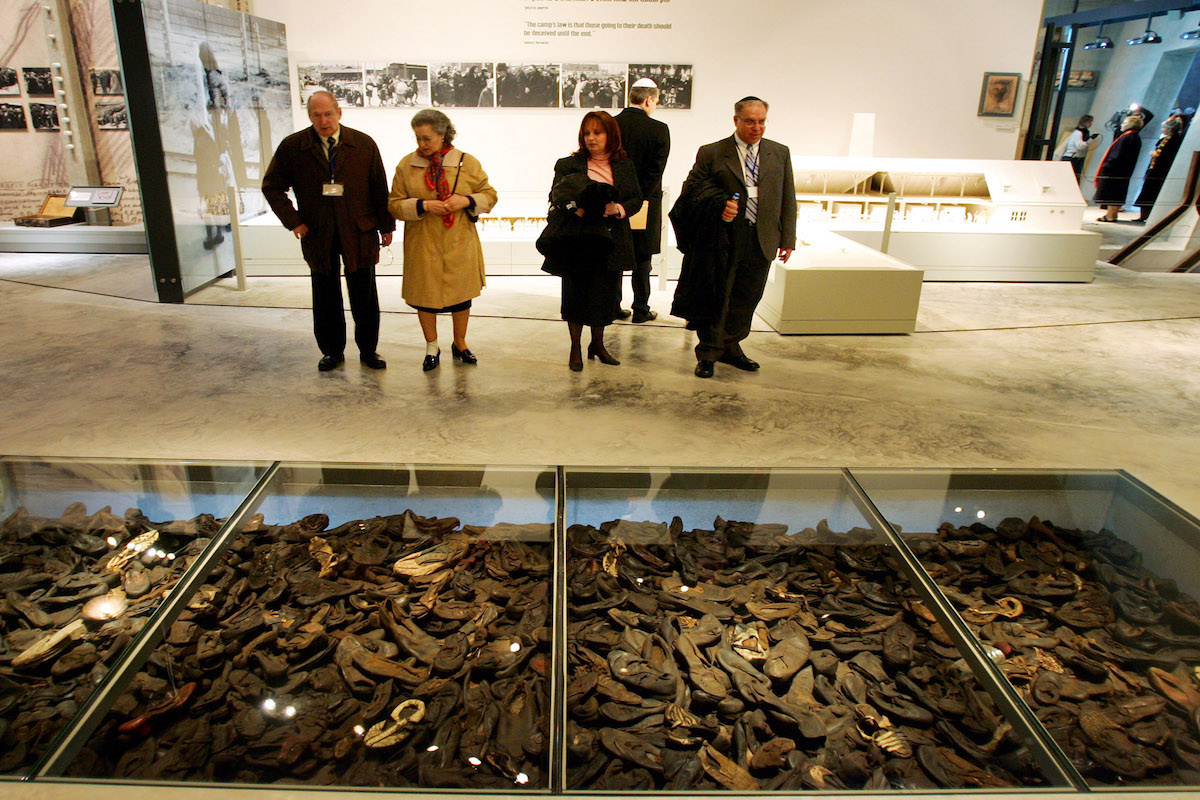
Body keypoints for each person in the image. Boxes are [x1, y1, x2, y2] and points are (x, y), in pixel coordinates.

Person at [262, 91, 394, 372]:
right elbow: (272, 187)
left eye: (328, 114)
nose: (323, 121)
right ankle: (332, 351)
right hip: (317, 231)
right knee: (325, 293)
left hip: (358, 229)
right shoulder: (294, 146)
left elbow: (379, 187)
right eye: (316, 115)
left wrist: (386, 225)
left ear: (339, 113)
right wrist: (293, 220)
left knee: (364, 293)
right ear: (309, 116)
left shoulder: (362, 144)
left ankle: (369, 350)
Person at [670, 96, 796, 379]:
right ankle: (708, 352)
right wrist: (719, 205)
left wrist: (788, 237)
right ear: (736, 120)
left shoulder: (779, 153)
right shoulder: (712, 152)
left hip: (762, 237)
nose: (756, 127)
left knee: (747, 296)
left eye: (761, 121)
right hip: (723, 238)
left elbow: (788, 197)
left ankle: (731, 346)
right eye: (750, 121)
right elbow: (692, 191)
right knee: (717, 295)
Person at [388, 109, 497, 371]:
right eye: (418, 139)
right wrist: (423, 205)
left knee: (462, 296)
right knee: (424, 297)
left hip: (459, 241)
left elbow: (489, 195)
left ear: (443, 134)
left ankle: (460, 343)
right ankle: (431, 347)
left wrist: (466, 200)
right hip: (422, 243)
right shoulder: (407, 165)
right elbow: (393, 204)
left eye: (427, 138)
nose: (422, 145)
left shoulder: (466, 162)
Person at [541, 111, 642, 372]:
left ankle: (597, 344)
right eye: (587, 132)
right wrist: (575, 209)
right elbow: (556, 196)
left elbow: (634, 198)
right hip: (577, 240)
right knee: (575, 295)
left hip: (610, 240)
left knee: (605, 296)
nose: (591, 138)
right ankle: (575, 346)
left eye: (597, 132)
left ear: (611, 135)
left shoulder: (624, 165)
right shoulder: (568, 164)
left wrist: (617, 208)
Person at [614, 77, 670, 324]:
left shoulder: (612, 125)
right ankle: (640, 308)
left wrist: (621, 198)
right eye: (656, 101)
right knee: (642, 259)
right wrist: (640, 199)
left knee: (614, 255)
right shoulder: (659, 129)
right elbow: (655, 173)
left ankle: (612, 306)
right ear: (649, 100)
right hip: (645, 202)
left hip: (614, 203)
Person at [1133, 115, 1185, 224]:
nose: (1162, 130)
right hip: (1156, 169)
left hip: (1159, 171)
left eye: (1164, 128)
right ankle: (1144, 215)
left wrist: (1155, 154)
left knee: (1150, 193)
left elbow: (1165, 155)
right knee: (1148, 192)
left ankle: (1146, 215)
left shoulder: (1172, 140)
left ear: (1170, 129)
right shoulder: (1171, 139)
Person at [1094, 115, 1144, 222]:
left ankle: (1110, 215)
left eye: (1124, 122)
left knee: (1112, 193)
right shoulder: (1134, 137)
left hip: (1115, 171)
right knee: (1117, 193)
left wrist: (1107, 165)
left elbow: (1117, 155)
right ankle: (1112, 214)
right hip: (1123, 171)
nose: (1122, 124)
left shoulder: (1127, 138)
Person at [1058, 115, 1097, 182]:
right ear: (1086, 122)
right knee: (1068, 179)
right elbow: (1080, 146)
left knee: (1075, 179)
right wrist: (1090, 140)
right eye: (1090, 122)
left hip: (1078, 158)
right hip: (1071, 158)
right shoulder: (1078, 133)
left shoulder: (1084, 132)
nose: (1091, 124)